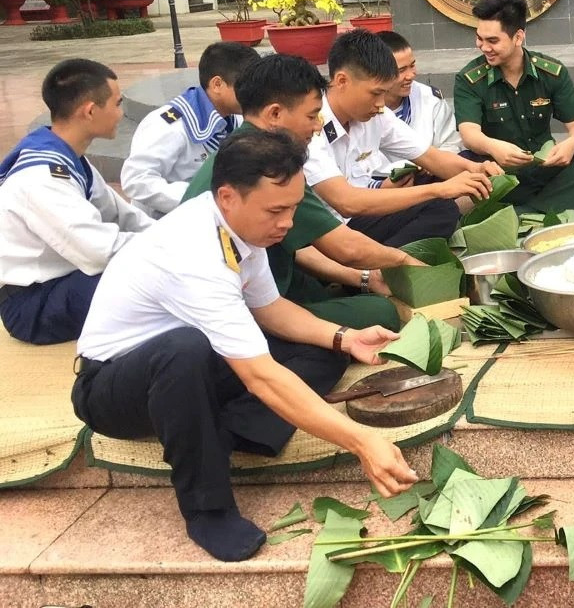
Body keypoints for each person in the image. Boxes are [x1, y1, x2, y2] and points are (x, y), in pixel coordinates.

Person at [75, 128, 418, 562]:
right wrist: (361, 441)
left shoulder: (245, 233)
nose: (288, 224)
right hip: (115, 386)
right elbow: (259, 375)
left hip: (196, 370)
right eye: (276, 210)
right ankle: (208, 510)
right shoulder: (192, 253)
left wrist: (345, 338)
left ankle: (234, 431)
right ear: (228, 197)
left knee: (317, 344)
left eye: (293, 208)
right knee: (185, 349)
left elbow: (271, 309)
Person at [184, 55, 425, 331]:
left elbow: (301, 248)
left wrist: (364, 277)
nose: (317, 126)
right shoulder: (268, 164)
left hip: (270, 281)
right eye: (311, 116)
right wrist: (403, 260)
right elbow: (346, 248)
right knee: (379, 312)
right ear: (274, 114)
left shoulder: (243, 147)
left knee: (329, 296)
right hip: (234, 309)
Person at [0, 59, 153, 344]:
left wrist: (173, 234)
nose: (121, 114)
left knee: (161, 277)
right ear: (91, 111)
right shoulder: (41, 177)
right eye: (117, 104)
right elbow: (100, 251)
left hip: (69, 280)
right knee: (151, 284)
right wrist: (172, 247)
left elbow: (123, 216)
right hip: (34, 304)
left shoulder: (70, 158)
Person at [304, 30, 497, 247]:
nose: (381, 104)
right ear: (342, 81)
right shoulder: (310, 126)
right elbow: (346, 202)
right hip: (333, 230)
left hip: (371, 208)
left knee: (458, 176)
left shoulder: (375, 114)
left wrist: (477, 170)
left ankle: (383, 261)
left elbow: (430, 157)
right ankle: (366, 270)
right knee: (439, 205)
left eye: (384, 93)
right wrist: (439, 190)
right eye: (375, 93)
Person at [453, 0, 574, 214]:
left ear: (518, 37)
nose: (484, 47)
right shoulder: (469, 79)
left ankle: (526, 211)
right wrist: (493, 147)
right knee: (465, 166)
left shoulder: (551, 72)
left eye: (493, 41)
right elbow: (469, 135)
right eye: (480, 38)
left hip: (545, 167)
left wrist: (570, 146)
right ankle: (556, 204)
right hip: (500, 172)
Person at [121, 42, 261, 216]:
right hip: (167, 224)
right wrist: (201, 200)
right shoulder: (170, 125)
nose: (255, 95)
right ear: (217, 84)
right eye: (246, 88)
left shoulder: (236, 118)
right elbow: (136, 180)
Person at [375, 30, 463, 163]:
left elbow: (452, 143)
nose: (411, 75)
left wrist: (430, 165)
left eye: (412, 65)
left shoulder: (430, 98)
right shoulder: (362, 110)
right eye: (401, 70)